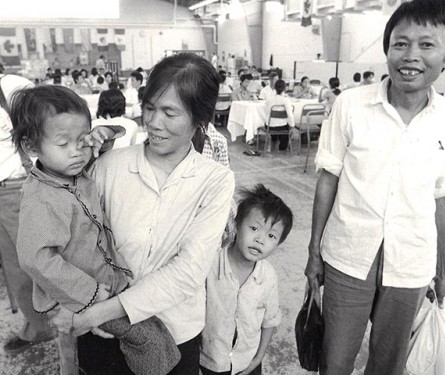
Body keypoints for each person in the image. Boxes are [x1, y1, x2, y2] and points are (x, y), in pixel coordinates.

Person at [305, 1, 445, 374]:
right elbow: (328, 178)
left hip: (412, 260)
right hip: (348, 255)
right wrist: (314, 251)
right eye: (400, 43)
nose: (410, 56)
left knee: (390, 362)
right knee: (335, 358)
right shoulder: (350, 105)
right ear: (388, 48)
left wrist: (444, 268)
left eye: (426, 45)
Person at [51, 52, 235, 375]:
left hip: (173, 334)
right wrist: (76, 165)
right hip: (105, 336)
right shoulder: (110, 166)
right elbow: (72, 235)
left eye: (169, 112)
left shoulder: (215, 180)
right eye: (149, 108)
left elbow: (189, 272)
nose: (153, 122)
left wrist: (98, 313)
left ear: (198, 119)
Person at [11, 85, 180, 375]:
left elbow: (114, 132)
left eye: (82, 140)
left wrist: (103, 134)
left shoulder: (68, 168)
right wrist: (91, 294)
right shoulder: (40, 198)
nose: (78, 152)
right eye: (64, 144)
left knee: (151, 335)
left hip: (107, 282)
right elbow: (35, 258)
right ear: (31, 146)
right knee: (139, 342)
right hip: (83, 296)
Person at [200, 184, 293, 375]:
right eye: (254, 228)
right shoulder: (209, 265)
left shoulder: (268, 277)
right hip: (208, 362)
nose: (260, 240)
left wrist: (258, 358)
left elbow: (269, 321)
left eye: (271, 236)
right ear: (236, 224)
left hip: (247, 363)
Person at [0, 73, 56, 355]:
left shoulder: (11, 86)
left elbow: (48, 123)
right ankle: (38, 324)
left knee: (35, 262)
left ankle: (52, 325)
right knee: (14, 267)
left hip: (15, 187)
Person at [264, 79, 295, 151]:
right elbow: (290, 115)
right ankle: (283, 146)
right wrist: (292, 126)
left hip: (270, 126)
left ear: (275, 88)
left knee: (272, 123)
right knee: (286, 126)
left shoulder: (269, 99)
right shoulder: (285, 100)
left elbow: (266, 112)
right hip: (282, 126)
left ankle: (274, 139)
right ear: (285, 88)